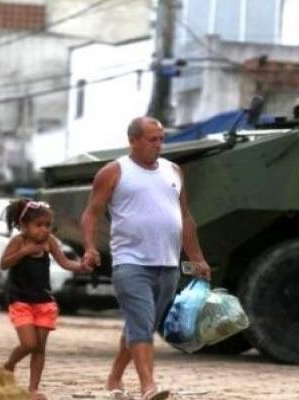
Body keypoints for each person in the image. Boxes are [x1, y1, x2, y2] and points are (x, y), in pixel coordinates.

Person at [80, 116, 211, 400]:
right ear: (133, 141)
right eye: (152, 140)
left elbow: (184, 217)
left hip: (168, 264)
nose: (159, 145)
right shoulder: (114, 172)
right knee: (141, 324)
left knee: (143, 324)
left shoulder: (173, 171)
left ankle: (115, 377)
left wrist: (197, 258)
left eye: (161, 139)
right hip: (130, 263)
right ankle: (148, 387)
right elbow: (91, 213)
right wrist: (90, 247)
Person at [0, 199, 90, 400]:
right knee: (29, 343)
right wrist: (23, 252)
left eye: (47, 226)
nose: (44, 230)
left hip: (43, 301)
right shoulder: (18, 242)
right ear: (24, 226)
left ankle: (33, 389)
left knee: (39, 347)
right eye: (39, 225)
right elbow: (3, 264)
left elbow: (65, 262)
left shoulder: (49, 242)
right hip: (20, 300)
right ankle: (9, 365)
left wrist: (81, 266)